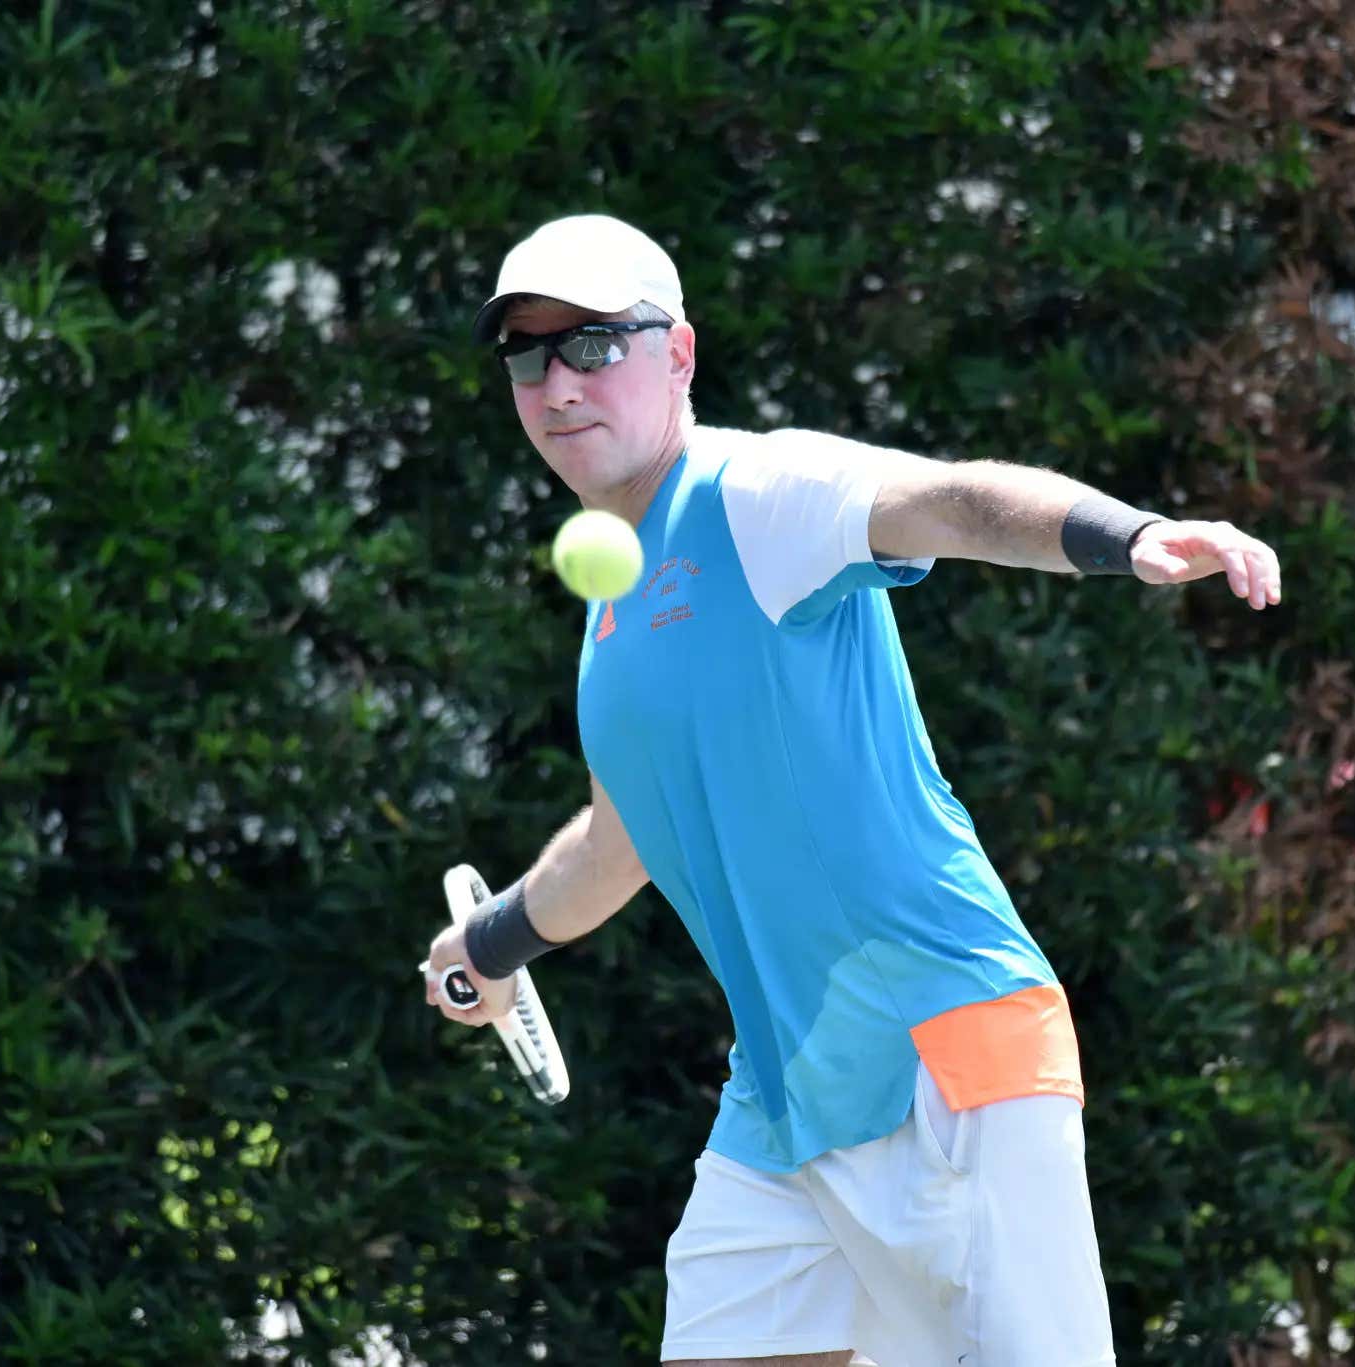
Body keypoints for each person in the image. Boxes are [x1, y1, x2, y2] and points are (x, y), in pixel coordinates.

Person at [424, 214, 1282, 1367]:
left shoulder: (755, 491)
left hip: (949, 1058)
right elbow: (618, 843)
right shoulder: (610, 609)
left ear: (676, 353)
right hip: (780, 1109)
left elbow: (954, 500)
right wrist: (489, 941)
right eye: (527, 355)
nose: (556, 382)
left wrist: (1125, 536)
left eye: (592, 344)